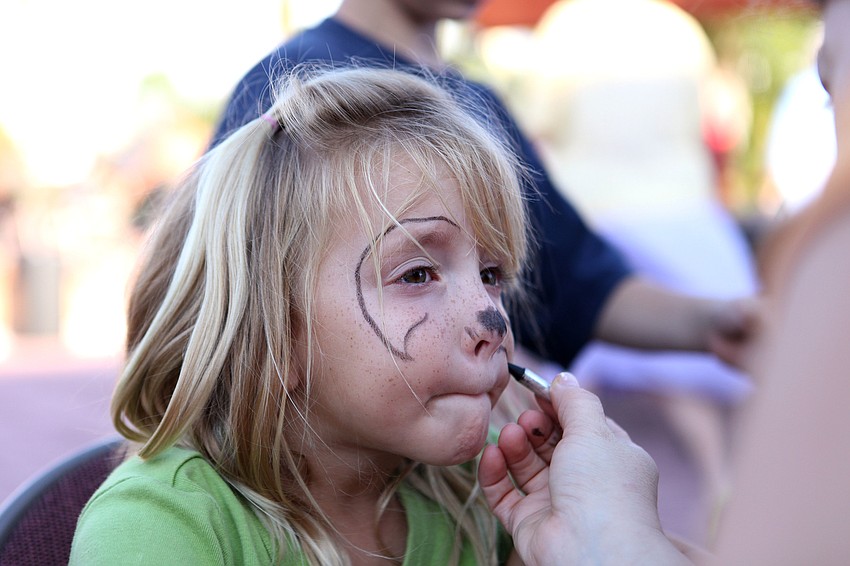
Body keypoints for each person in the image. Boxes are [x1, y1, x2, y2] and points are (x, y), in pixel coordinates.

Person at [71, 65, 568, 564]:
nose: (491, 322)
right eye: (417, 275)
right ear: (273, 337)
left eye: (491, 274)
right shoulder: (158, 528)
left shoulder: (495, 488)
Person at [211, 0, 757, 384]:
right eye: (418, 274)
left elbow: (572, 283)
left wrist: (719, 324)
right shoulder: (288, 88)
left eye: (490, 277)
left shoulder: (481, 107)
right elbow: (227, 310)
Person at [479, 0, 850, 562]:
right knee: (691, 397)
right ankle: (718, 471)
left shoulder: (567, 32)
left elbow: (545, 128)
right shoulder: (678, 33)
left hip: (608, 207)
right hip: (687, 209)